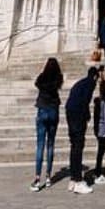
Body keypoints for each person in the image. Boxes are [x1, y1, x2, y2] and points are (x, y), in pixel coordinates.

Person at [65, 65, 100, 194]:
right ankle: (79, 181)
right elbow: (85, 101)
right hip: (77, 116)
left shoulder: (80, 82)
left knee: (74, 146)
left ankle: (73, 179)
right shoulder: (91, 83)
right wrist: (86, 116)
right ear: (95, 76)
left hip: (70, 113)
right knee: (78, 146)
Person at [30, 57, 63, 192]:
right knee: (50, 144)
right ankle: (48, 176)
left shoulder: (42, 77)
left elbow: (36, 83)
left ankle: (37, 178)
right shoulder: (58, 78)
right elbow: (58, 85)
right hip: (53, 110)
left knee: (40, 145)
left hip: (42, 110)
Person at [92, 75, 105, 185]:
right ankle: (98, 173)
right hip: (102, 130)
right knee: (101, 151)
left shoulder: (98, 102)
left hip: (98, 129)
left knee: (100, 151)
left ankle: (97, 171)